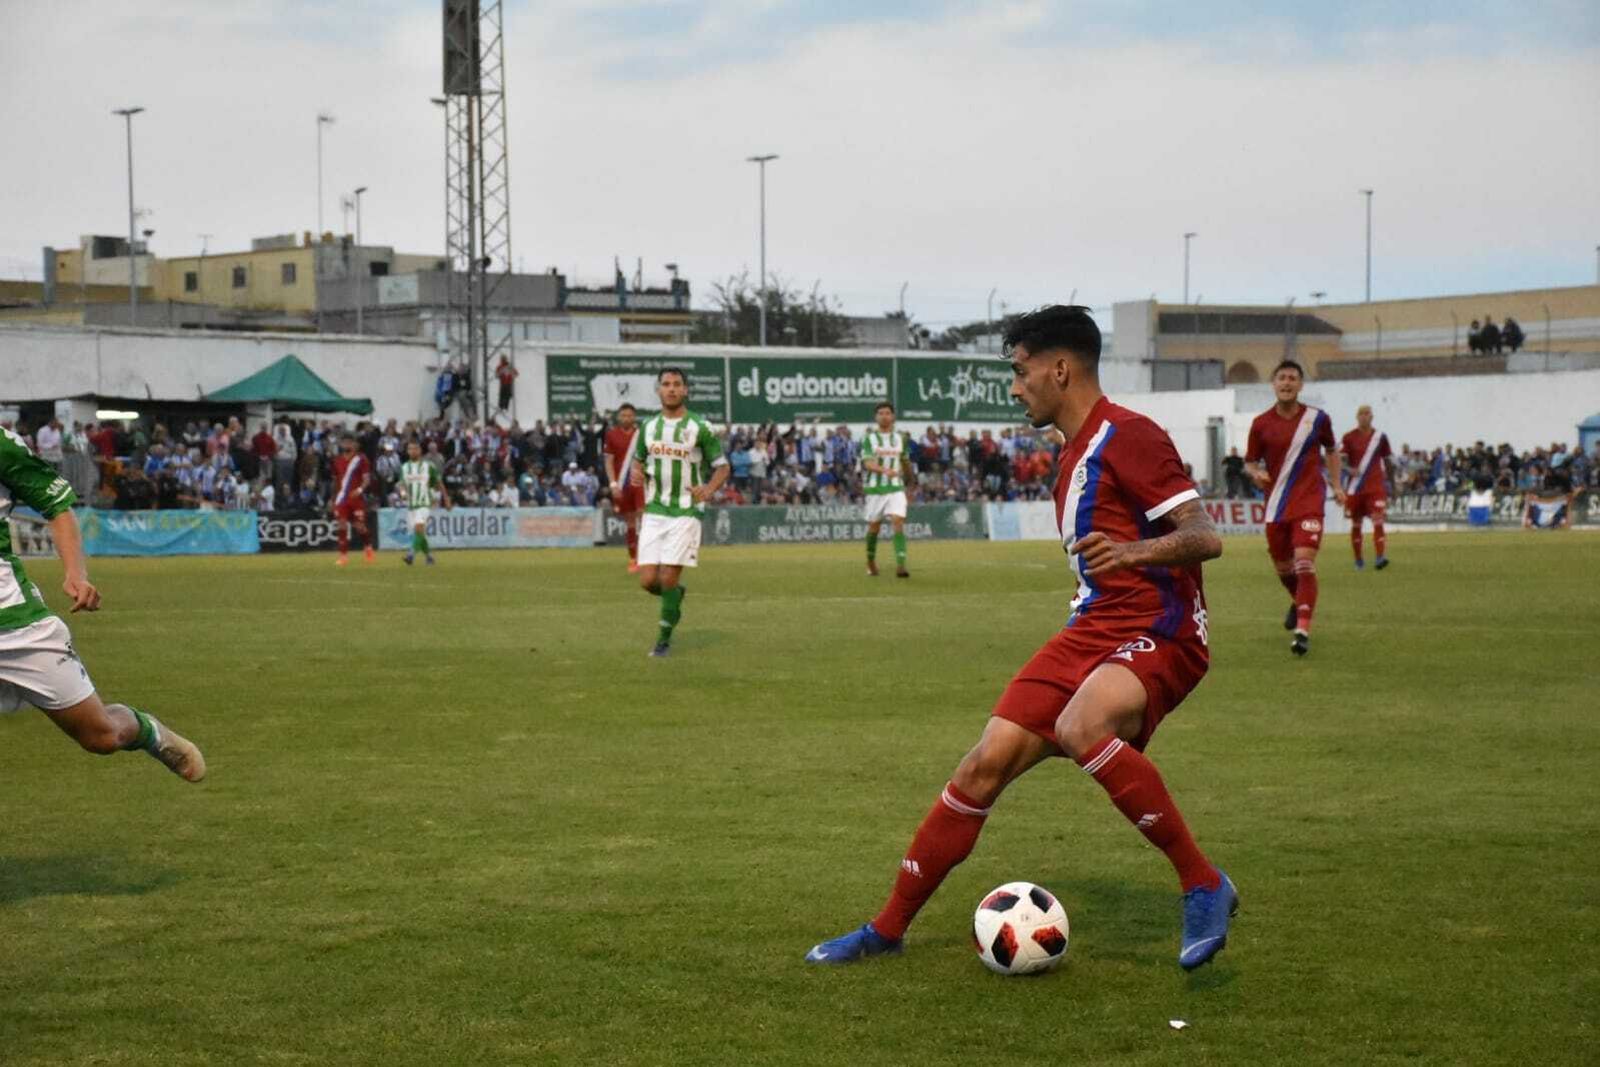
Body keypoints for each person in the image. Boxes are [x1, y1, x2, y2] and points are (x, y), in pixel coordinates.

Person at [805, 306, 1234, 971]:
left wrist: (1134, 551)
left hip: (1160, 628)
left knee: (1082, 725)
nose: (1014, 386)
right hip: (1090, 628)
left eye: (1019, 369)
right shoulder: (1073, 453)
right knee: (984, 761)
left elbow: (1205, 535)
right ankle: (885, 928)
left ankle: (1204, 882)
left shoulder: (1130, 434)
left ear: (1059, 368)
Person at [0, 426, 205, 781]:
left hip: (15, 622)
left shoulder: (3, 446)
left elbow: (57, 506)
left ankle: (148, 731)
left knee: (101, 735)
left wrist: (75, 573)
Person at [1244, 360, 1344, 656]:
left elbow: (1332, 449)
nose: (1286, 383)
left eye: (1292, 378)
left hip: (1310, 502)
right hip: (1276, 506)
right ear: (1273, 384)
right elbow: (1250, 461)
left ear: (1301, 385)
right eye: (1282, 378)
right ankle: (1297, 599)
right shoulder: (1260, 424)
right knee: (1284, 569)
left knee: (1303, 563)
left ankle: (1302, 631)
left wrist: (1337, 485)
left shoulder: (1317, 419)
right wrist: (1255, 473)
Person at [629, 369, 729, 658]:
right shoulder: (647, 426)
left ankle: (662, 640)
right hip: (655, 509)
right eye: (666, 385)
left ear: (685, 390)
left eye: (677, 385)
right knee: (648, 581)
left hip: (686, 509)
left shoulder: (700, 427)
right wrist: (637, 473)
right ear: (659, 390)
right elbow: (639, 461)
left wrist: (708, 490)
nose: (671, 389)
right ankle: (674, 597)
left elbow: (723, 467)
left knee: (668, 578)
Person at [860, 402, 914, 578]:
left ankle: (901, 565)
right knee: (874, 526)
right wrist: (885, 471)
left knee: (898, 521)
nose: (884, 416)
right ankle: (870, 562)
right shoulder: (868, 439)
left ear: (893, 416)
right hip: (876, 488)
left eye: (887, 413)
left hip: (896, 487)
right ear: (876, 417)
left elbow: (905, 461)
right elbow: (867, 463)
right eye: (881, 413)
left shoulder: (902, 438)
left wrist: (910, 481)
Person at [1341, 405, 1394, 571]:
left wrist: (1391, 483)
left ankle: (1380, 557)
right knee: (1356, 524)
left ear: (1372, 416)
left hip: (1375, 486)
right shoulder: (1348, 437)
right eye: (1361, 414)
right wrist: (1349, 469)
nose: (1364, 417)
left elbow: (1388, 461)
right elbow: (1341, 461)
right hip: (1356, 488)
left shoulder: (1380, 437)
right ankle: (1358, 560)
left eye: (1367, 414)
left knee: (1378, 520)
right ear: (1357, 417)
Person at [603, 404, 646, 573]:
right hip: (622, 484)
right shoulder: (612, 435)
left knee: (645, 520)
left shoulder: (641, 435)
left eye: (629, 415)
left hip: (639, 483)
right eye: (623, 415)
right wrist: (613, 484)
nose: (626, 418)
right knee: (629, 522)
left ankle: (646, 558)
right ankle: (633, 558)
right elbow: (609, 461)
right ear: (618, 417)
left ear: (634, 417)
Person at [399, 439, 449, 565]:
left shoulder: (428, 466)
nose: (413, 451)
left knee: (419, 527)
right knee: (419, 532)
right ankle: (429, 557)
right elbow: (401, 484)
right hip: (411, 505)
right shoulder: (404, 467)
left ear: (420, 451)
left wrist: (446, 498)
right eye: (410, 449)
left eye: (415, 448)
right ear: (407, 451)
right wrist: (403, 493)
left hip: (424, 503)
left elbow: (438, 483)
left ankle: (410, 555)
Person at [330, 432, 375, 566]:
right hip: (342, 499)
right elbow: (335, 481)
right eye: (344, 442)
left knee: (360, 527)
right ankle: (343, 556)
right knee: (342, 525)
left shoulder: (361, 459)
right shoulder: (336, 460)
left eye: (349, 442)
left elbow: (367, 479)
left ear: (354, 444)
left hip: (356, 499)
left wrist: (360, 490)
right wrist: (332, 498)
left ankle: (368, 546)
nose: (346, 444)